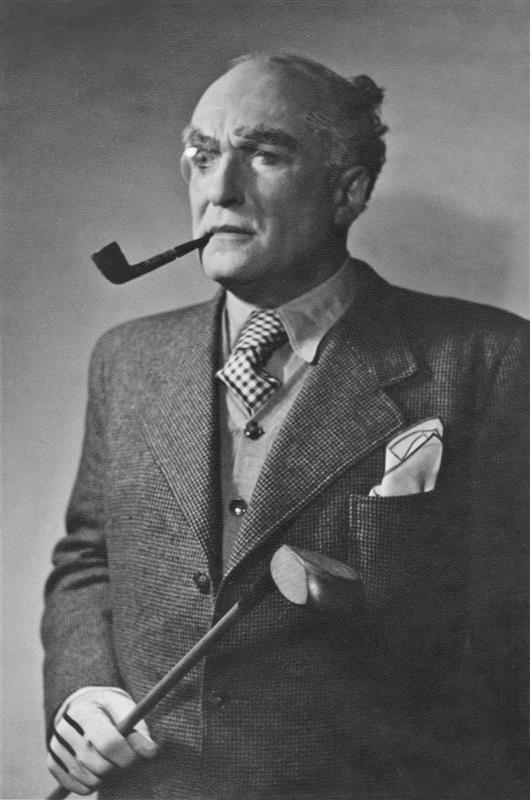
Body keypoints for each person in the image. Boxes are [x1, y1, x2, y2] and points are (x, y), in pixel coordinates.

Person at [42, 53, 528, 800]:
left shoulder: (488, 359)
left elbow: (511, 641)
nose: (220, 189)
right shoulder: (126, 359)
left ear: (348, 191)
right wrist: (83, 694)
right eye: (202, 156)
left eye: (264, 155)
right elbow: (88, 561)